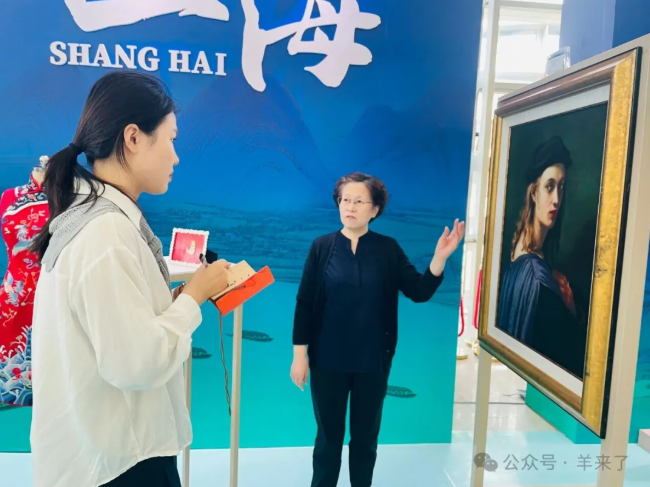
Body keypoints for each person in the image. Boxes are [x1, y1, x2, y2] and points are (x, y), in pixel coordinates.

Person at [29, 71, 230, 487]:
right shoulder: (106, 233)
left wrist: (174, 300)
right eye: (171, 139)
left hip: (102, 453)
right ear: (134, 137)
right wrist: (193, 297)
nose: (176, 157)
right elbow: (137, 363)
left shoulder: (92, 219)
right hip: (122, 464)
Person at [290, 172, 465, 487]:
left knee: (365, 440)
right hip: (327, 361)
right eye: (345, 200)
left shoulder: (388, 249)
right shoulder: (321, 247)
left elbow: (419, 291)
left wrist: (439, 259)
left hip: (373, 361)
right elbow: (304, 304)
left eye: (359, 201)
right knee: (328, 439)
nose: (350, 207)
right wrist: (299, 356)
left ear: (374, 209)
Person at [496, 135, 587, 379]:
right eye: (549, 186)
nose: (556, 199)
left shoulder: (521, 253)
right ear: (534, 192)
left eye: (561, 187)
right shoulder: (537, 276)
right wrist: (571, 309)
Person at [0, 156, 49, 407]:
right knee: (13, 378)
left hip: (52, 293)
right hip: (13, 296)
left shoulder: (70, 197)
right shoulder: (9, 197)